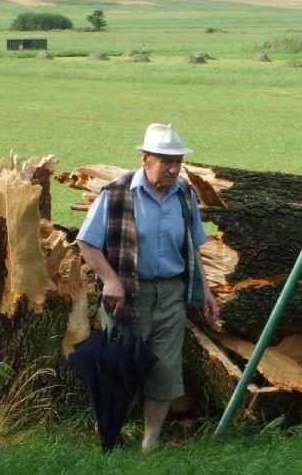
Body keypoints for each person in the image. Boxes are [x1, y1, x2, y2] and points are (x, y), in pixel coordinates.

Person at [76, 123, 219, 452]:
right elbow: (87, 243)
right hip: (128, 293)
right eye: (165, 160)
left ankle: (149, 444)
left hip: (171, 294)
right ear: (145, 159)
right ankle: (109, 432)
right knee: (121, 367)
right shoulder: (116, 192)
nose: (173, 168)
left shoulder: (184, 195)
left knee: (165, 368)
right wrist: (110, 280)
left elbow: (193, 248)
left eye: (177, 161)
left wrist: (206, 291)